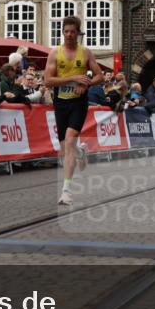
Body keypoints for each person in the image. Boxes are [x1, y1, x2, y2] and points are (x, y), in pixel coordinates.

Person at [44, 15, 102, 206]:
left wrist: (86, 85)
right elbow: (48, 81)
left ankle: (66, 191)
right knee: (66, 146)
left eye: (72, 31)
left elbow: (99, 76)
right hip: (61, 102)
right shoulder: (55, 53)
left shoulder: (85, 53)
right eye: (66, 31)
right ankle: (81, 151)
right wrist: (73, 79)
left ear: (78, 33)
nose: (69, 35)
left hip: (78, 102)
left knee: (69, 142)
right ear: (62, 32)